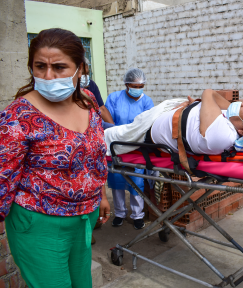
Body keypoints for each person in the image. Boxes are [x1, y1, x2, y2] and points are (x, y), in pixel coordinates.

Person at [0, 28, 110, 288]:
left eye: (59, 67)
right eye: (40, 66)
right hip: (39, 222)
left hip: (84, 217)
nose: (48, 76)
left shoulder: (87, 101)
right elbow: (3, 177)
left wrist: (101, 195)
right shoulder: (18, 116)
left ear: (80, 68)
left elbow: (96, 156)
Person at [147, 89, 243, 155]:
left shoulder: (224, 136)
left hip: (148, 132)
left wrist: (203, 103)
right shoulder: (232, 121)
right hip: (162, 115)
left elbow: (208, 93)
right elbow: (212, 98)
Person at [105, 68, 154, 230]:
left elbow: (148, 124)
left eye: (141, 86)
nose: (137, 89)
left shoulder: (147, 102)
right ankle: (119, 213)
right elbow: (106, 121)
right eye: (134, 86)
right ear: (126, 84)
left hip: (136, 147)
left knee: (136, 181)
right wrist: (118, 133)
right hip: (117, 145)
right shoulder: (114, 98)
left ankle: (137, 215)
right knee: (117, 180)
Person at [80, 58, 114, 127]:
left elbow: (101, 108)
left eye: (87, 73)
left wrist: (114, 130)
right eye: (83, 74)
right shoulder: (69, 90)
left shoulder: (91, 85)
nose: (85, 77)